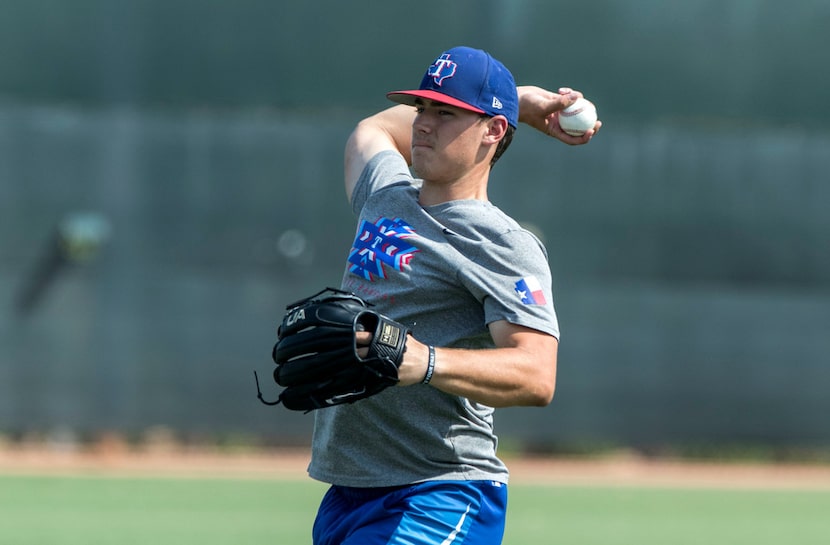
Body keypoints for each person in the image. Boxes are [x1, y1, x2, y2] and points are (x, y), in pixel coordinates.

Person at [309, 45, 600, 545]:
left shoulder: (502, 244)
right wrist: (521, 101)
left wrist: (424, 360)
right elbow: (372, 129)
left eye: (445, 113)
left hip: (441, 495)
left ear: (492, 130)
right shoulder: (385, 194)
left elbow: (536, 373)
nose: (423, 123)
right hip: (349, 490)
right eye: (422, 108)